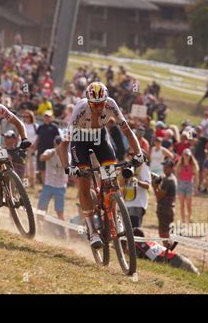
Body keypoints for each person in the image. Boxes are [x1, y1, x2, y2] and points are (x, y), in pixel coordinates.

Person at [57, 82, 144, 248]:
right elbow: (63, 144)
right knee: (84, 182)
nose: (99, 107)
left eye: (101, 103)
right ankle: (92, 231)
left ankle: (115, 212)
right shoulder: (81, 109)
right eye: (95, 104)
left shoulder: (111, 104)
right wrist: (68, 167)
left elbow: (127, 131)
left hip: (100, 138)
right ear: (89, 102)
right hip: (80, 138)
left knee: (110, 174)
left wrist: (139, 153)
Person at [133, 228, 199, 274]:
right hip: (181, 259)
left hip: (176, 263)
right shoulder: (151, 242)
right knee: (196, 275)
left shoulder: (139, 246)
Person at [37, 136, 69, 225]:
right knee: (41, 209)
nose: (59, 146)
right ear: (55, 144)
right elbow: (41, 158)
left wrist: (61, 154)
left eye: (61, 145)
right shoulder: (50, 151)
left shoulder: (67, 155)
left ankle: (62, 232)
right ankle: (39, 227)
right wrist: (51, 154)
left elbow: (67, 167)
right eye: (58, 144)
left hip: (60, 186)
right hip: (48, 184)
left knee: (60, 212)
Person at [119, 150, 151, 228]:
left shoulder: (144, 168)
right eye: (130, 154)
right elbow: (121, 185)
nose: (131, 156)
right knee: (126, 230)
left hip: (138, 204)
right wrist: (123, 173)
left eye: (133, 155)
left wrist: (137, 181)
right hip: (127, 203)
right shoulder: (129, 167)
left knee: (134, 230)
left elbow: (147, 185)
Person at [153, 159, 177, 244]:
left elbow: (159, 196)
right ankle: (168, 250)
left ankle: (167, 251)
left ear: (171, 168)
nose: (164, 169)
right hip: (168, 208)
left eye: (166, 167)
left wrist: (154, 186)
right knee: (165, 232)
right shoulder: (171, 178)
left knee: (163, 233)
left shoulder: (168, 180)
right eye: (164, 167)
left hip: (165, 209)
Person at [32, 110, 59, 184]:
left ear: (51, 117)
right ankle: (45, 185)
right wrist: (34, 146)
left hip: (51, 150)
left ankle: (51, 184)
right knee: (42, 169)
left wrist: (57, 149)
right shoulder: (40, 127)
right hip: (41, 149)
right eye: (45, 116)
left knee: (51, 168)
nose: (47, 118)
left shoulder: (54, 127)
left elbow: (57, 139)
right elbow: (38, 138)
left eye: (48, 116)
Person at [176, 149, 199, 223]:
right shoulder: (180, 165)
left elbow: (196, 177)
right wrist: (179, 182)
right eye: (185, 155)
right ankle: (183, 220)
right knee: (182, 204)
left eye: (188, 155)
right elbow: (177, 174)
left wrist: (196, 187)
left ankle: (189, 217)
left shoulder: (193, 165)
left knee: (189, 204)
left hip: (189, 184)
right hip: (182, 184)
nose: (186, 157)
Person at [22, 110, 38, 188]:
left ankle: (33, 184)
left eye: (27, 116)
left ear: (31, 117)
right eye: (24, 116)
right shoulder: (22, 125)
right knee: (24, 167)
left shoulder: (35, 126)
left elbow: (38, 137)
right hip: (24, 148)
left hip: (32, 149)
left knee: (32, 167)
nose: (25, 118)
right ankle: (25, 184)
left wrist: (34, 145)